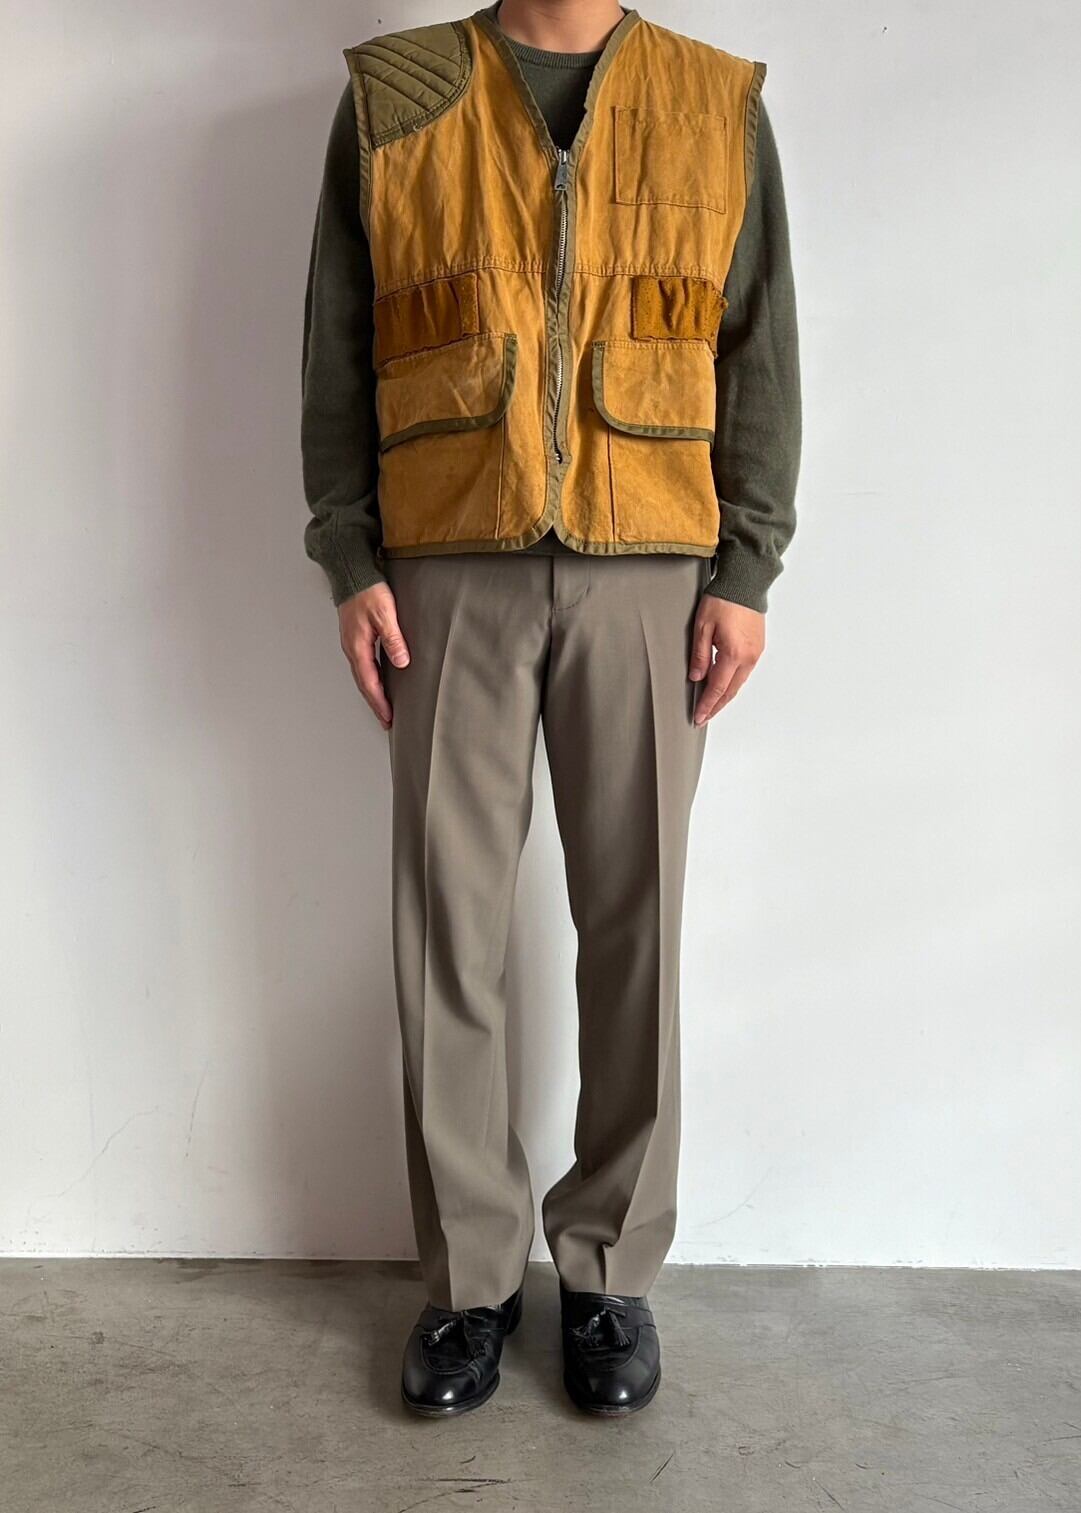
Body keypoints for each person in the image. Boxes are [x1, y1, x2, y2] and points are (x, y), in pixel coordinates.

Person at [301, 0, 800, 1417]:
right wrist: (349, 553)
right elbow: (338, 341)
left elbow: (758, 346)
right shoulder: (395, 96)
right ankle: (468, 1280)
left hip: (652, 567)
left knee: (637, 922)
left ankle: (608, 1272)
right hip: (444, 563)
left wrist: (746, 567)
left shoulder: (714, 102)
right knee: (446, 927)